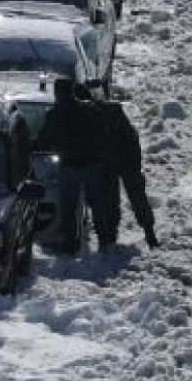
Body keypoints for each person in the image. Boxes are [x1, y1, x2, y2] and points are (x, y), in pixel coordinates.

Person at [35, 78, 117, 253]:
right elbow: (105, 133)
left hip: (70, 167)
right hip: (94, 165)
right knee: (97, 205)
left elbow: (43, 141)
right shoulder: (90, 109)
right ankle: (104, 241)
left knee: (69, 208)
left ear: (57, 93)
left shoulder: (55, 114)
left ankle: (71, 245)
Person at [80, 85, 159, 249]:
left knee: (136, 197)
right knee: (111, 201)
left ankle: (149, 233)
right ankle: (111, 237)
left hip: (125, 161)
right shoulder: (88, 114)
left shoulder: (111, 110)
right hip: (107, 164)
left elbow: (130, 136)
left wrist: (135, 163)